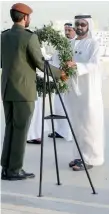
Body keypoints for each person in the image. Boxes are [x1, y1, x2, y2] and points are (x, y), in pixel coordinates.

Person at [1, 3, 67, 180]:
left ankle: (6, 167)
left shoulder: (4, 36)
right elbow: (40, 63)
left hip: (7, 90)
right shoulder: (29, 38)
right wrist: (59, 74)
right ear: (24, 17)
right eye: (29, 17)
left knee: (10, 128)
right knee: (21, 130)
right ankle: (14, 169)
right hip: (23, 91)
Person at [65, 14, 105, 171]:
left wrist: (77, 66)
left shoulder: (94, 44)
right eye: (77, 24)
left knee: (90, 124)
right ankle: (78, 156)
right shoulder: (71, 44)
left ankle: (91, 158)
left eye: (83, 24)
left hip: (89, 91)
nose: (80, 27)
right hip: (74, 90)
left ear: (88, 26)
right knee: (77, 124)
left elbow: (95, 65)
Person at [47, 23, 76, 141]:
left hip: (70, 80)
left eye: (69, 30)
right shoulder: (61, 44)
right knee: (58, 106)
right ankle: (61, 130)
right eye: (65, 30)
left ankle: (69, 132)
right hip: (59, 78)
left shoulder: (76, 44)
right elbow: (55, 59)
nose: (67, 32)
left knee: (68, 107)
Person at [26, 46, 52, 144]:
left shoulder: (39, 48)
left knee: (36, 109)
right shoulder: (35, 48)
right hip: (33, 81)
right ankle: (32, 135)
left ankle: (34, 134)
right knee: (34, 109)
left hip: (37, 81)